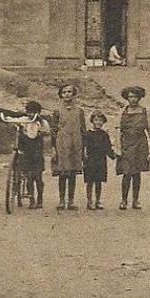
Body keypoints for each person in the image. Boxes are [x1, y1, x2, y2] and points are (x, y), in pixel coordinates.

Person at [0, 100, 50, 209]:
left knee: (38, 177)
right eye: (29, 112)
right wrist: (7, 119)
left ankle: (40, 199)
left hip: (37, 153)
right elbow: (14, 120)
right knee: (29, 176)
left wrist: (43, 132)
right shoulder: (25, 120)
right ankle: (32, 199)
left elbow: (47, 131)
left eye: (34, 112)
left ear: (39, 113)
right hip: (26, 152)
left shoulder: (42, 123)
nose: (31, 115)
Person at [50, 83, 87, 211]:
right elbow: (53, 130)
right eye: (64, 92)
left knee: (72, 173)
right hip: (62, 144)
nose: (67, 94)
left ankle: (71, 201)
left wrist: (84, 148)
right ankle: (61, 200)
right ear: (61, 95)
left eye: (69, 92)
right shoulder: (56, 111)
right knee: (62, 173)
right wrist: (53, 148)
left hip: (76, 144)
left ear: (74, 94)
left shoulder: (80, 111)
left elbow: (83, 130)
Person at [118, 86, 150, 210]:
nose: (133, 99)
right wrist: (118, 147)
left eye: (135, 97)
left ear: (139, 97)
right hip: (126, 144)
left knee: (137, 173)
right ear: (127, 98)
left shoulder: (145, 111)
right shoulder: (122, 111)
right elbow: (118, 130)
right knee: (126, 172)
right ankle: (123, 200)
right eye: (130, 97)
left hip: (140, 144)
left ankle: (135, 200)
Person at [84, 111, 115, 210]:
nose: (98, 122)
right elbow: (84, 147)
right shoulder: (87, 134)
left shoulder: (104, 134)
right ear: (92, 121)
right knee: (90, 181)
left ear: (103, 122)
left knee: (99, 181)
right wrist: (84, 157)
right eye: (96, 120)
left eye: (100, 120)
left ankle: (98, 200)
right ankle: (89, 201)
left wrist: (113, 155)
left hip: (101, 160)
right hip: (90, 160)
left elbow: (108, 147)